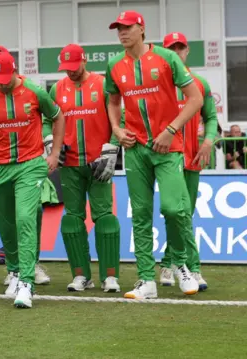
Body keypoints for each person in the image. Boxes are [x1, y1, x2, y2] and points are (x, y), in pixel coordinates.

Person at [105, 10, 202, 299]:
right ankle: (146, 279)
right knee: (141, 213)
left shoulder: (166, 58)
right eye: (118, 28)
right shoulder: (114, 64)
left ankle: (181, 264)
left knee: (175, 209)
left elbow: (195, 98)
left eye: (127, 27)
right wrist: (117, 129)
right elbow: (112, 101)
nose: (122, 32)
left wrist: (171, 129)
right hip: (135, 149)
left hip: (167, 146)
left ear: (141, 28)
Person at [0, 51, 66, 308]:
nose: (1, 82)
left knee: (25, 216)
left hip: (30, 164)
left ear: (15, 71)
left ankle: (26, 282)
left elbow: (57, 117)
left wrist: (54, 153)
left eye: (5, 77)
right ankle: (13, 271)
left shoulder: (35, 91)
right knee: (7, 223)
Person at [44, 44, 122, 293]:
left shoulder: (102, 84)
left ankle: (110, 277)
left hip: (99, 162)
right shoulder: (57, 88)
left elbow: (118, 116)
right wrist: (49, 141)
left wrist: (113, 149)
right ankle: (81, 276)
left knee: (105, 218)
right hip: (69, 164)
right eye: (66, 68)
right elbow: (47, 120)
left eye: (74, 66)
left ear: (85, 60)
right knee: (72, 219)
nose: (71, 72)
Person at [159, 32, 218, 291]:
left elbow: (212, 118)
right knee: (175, 214)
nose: (177, 51)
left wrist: (208, 141)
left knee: (185, 214)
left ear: (187, 50)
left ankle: (169, 262)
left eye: (180, 47)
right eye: (171, 48)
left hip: (192, 159)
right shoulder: (159, 84)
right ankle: (192, 268)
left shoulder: (200, 82)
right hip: (166, 159)